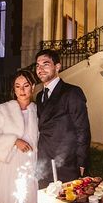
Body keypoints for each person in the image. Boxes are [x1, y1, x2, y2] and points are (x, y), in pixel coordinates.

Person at [35, 49, 91, 189]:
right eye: (37, 65)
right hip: (43, 164)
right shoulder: (39, 96)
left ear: (57, 67)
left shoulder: (72, 92)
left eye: (45, 64)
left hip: (66, 164)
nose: (40, 69)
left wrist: (81, 162)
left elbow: (82, 130)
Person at [0, 70, 38, 203]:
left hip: (31, 163)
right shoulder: (4, 109)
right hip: (8, 164)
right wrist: (14, 140)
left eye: (26, 85)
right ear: (14, 89)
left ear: (33, 86)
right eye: (18, 86)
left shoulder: (38, 110)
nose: (22, 90)